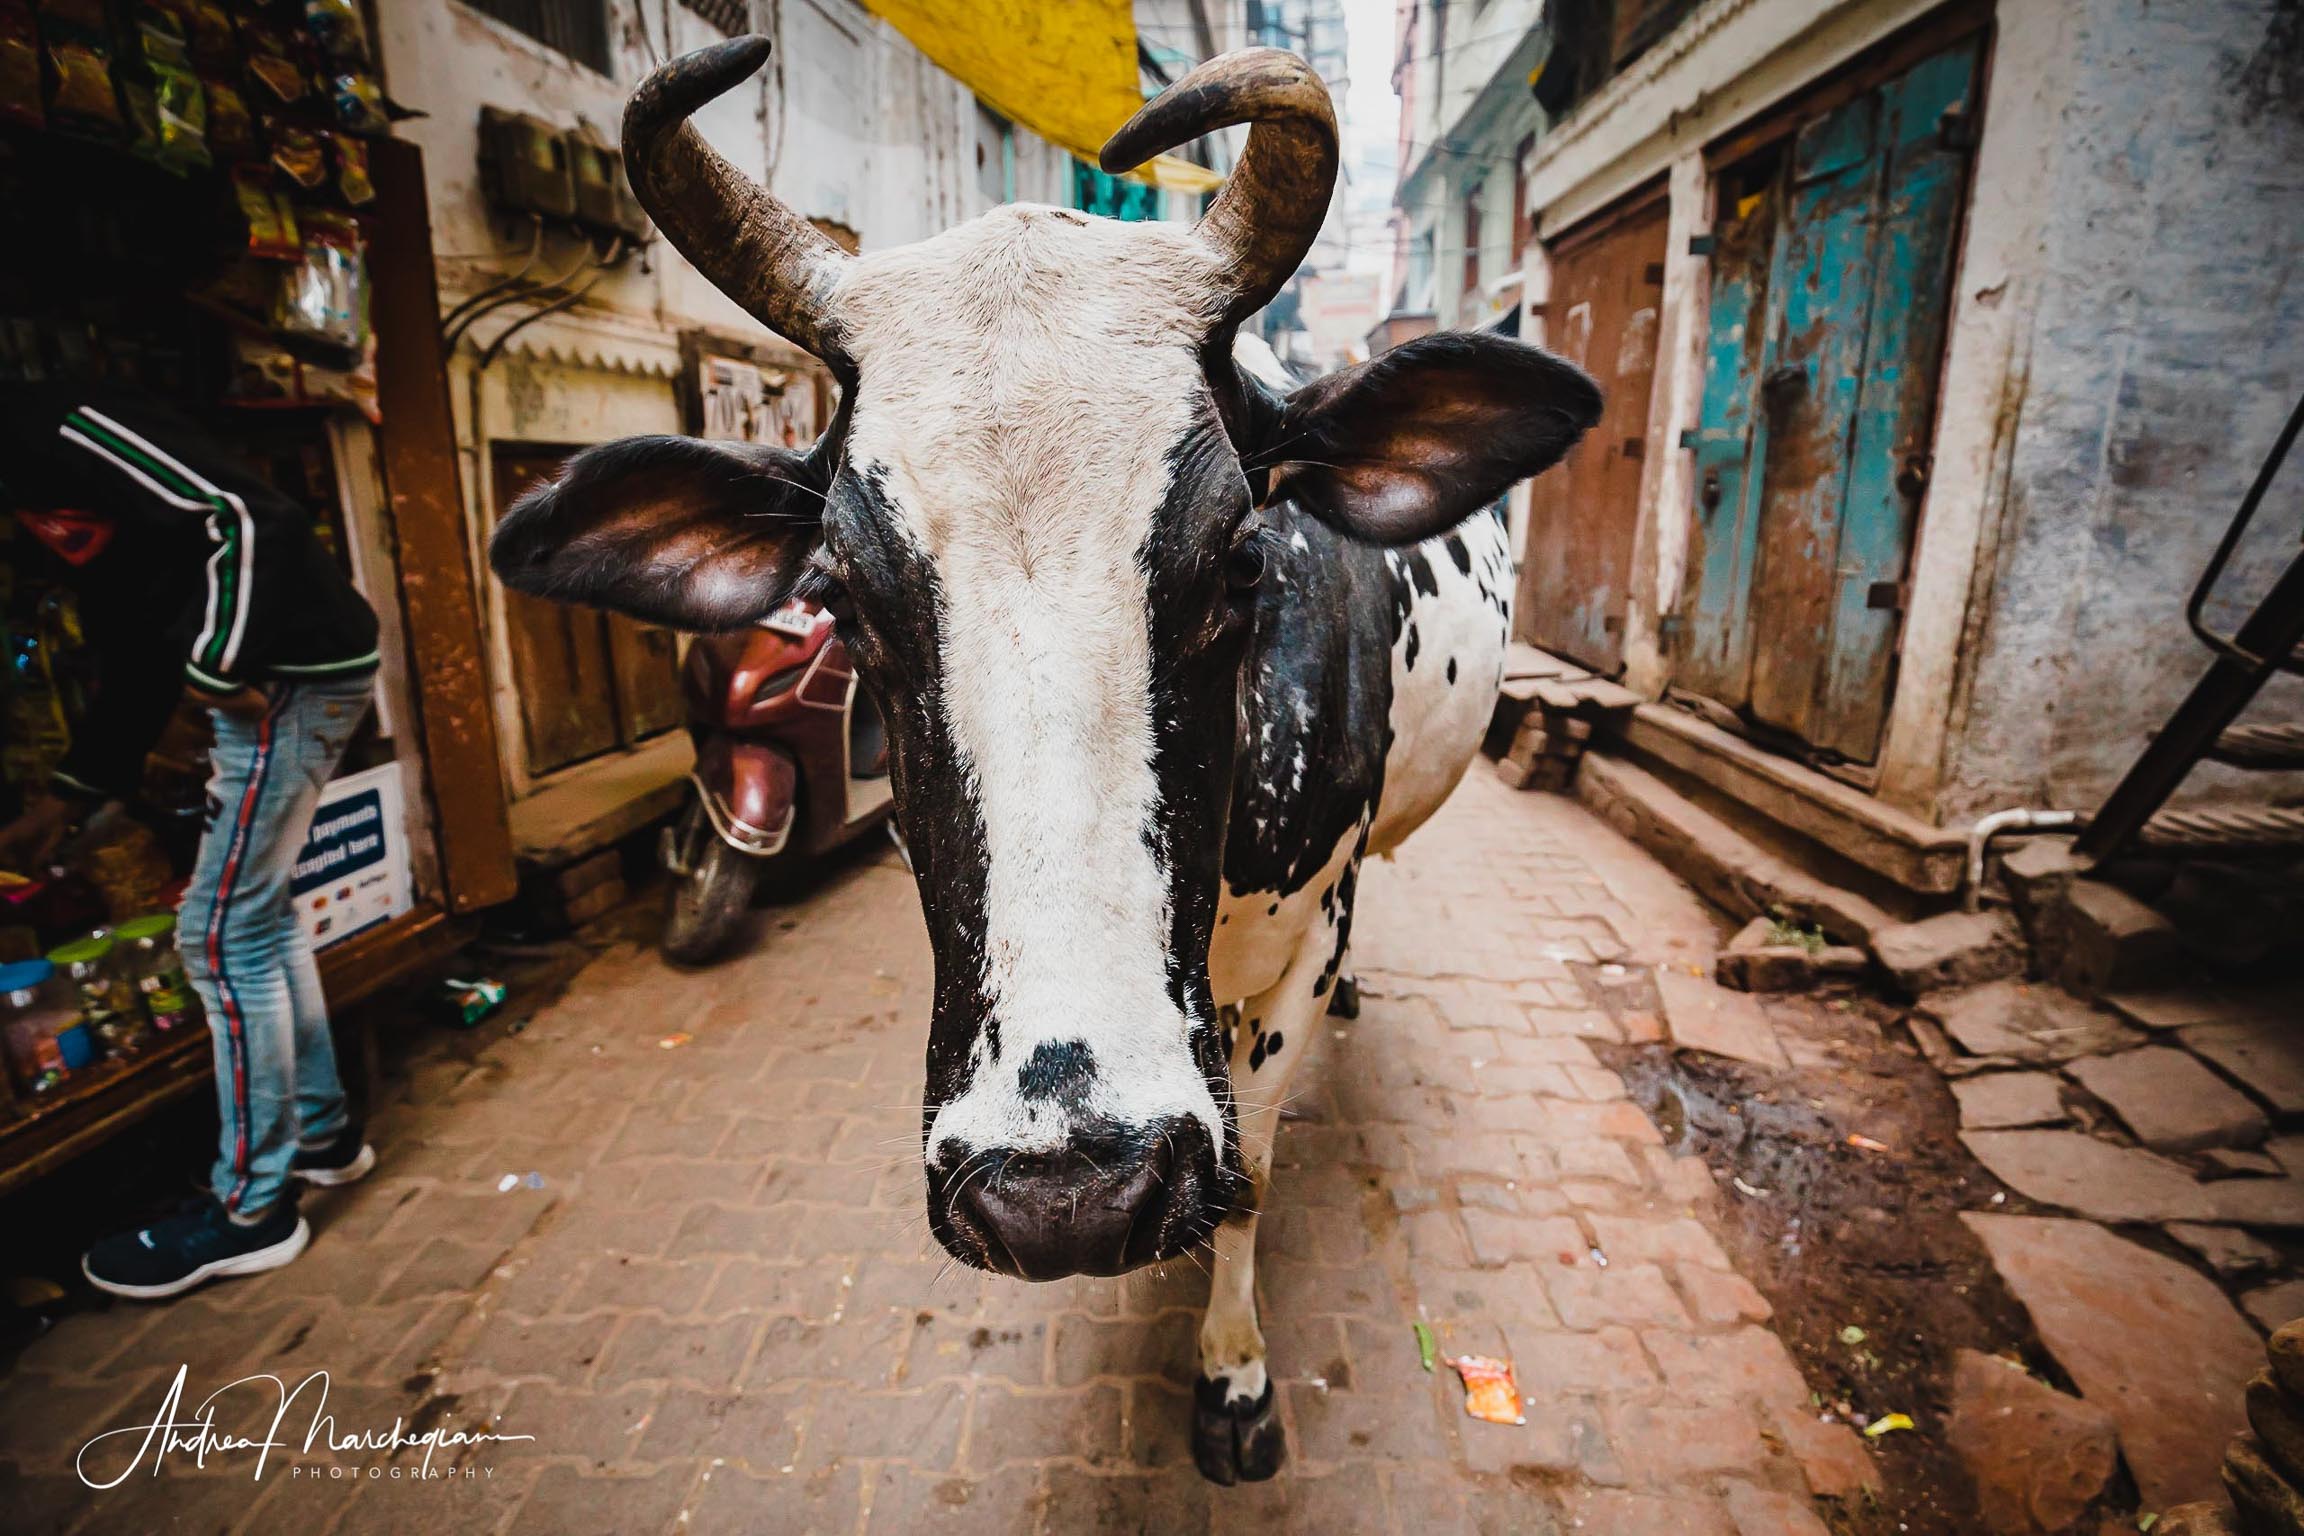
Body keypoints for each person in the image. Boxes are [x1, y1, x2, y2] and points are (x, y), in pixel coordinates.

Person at [1, 384, 383, 1299]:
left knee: (216, 936)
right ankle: (325, 1137)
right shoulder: (39, 472)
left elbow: (247, 514)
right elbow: (135, 632)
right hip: (285, 681)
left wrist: (218, 669)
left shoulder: (58, 426)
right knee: (258, 920)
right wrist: (76, 788)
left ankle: (252, 1211)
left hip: (286, 684)